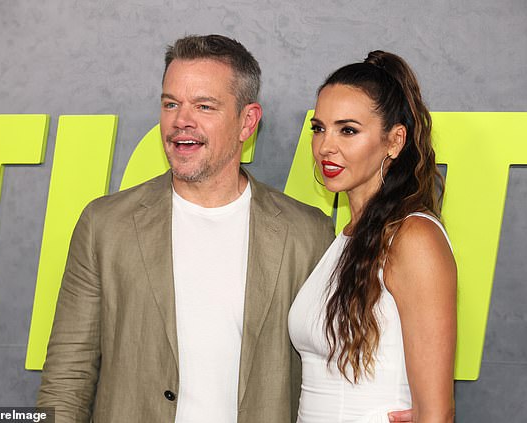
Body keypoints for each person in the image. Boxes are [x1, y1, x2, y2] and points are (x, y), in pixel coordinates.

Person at [36, 34, 336, 423]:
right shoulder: (105, 226)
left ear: (247, 121)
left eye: (204, 106)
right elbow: (67, 377)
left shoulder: (307, 233)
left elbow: (330, 374)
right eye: (171, 104)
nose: (181, 121)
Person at [289, 51, 457, 422]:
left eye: (347, 130)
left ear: (395, 141)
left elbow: (437, 414)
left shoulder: (414, 238)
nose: (325, 147)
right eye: (319, 128)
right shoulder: (344, 238)